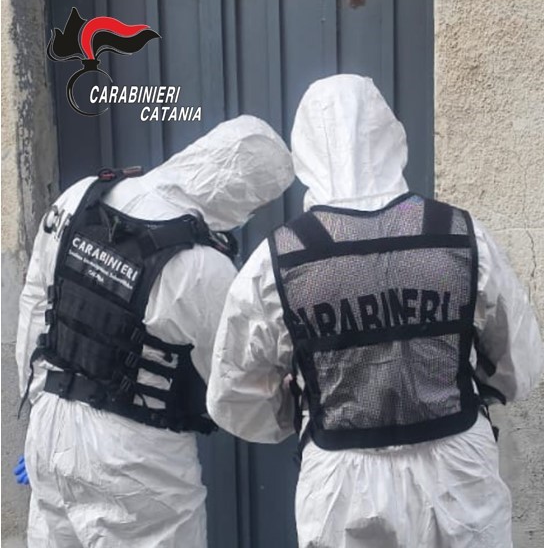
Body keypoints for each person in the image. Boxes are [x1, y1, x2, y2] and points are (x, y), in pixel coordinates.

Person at [207, 75, 544, 548]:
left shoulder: (279, 259)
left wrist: (293, 412)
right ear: (389, 134)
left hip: (343, 485)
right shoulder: (459, 235)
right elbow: (519, 363)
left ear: (306, 148)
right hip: (459, 473)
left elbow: (235, 394)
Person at [16, 114, 294, 548]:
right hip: (134, 465)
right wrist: (289, 417)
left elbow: (36, 305)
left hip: (50, 434)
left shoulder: (82, 196)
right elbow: (234, 387)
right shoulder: (205, 268)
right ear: (246, 195)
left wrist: (38, 405)